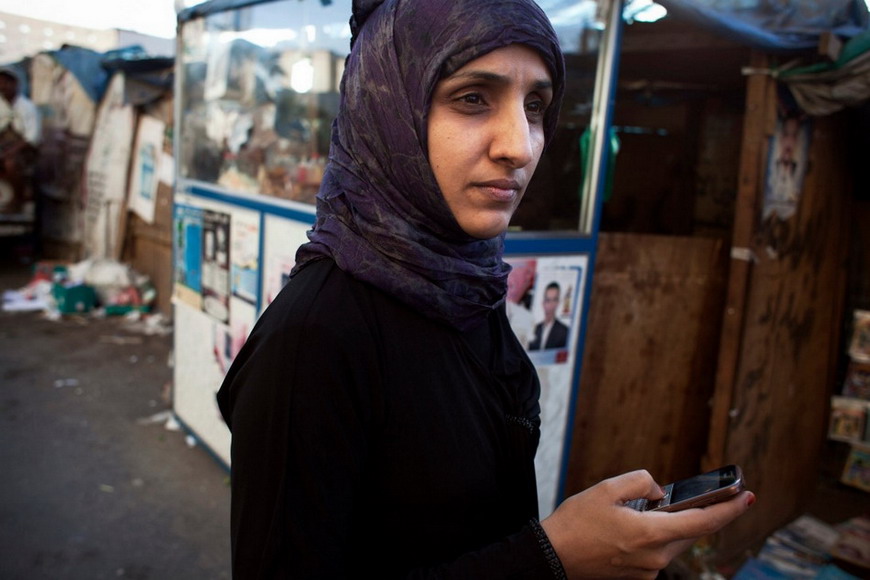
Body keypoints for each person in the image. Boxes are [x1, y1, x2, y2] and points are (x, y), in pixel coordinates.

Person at [216, 0, 755, 578]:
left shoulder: (462, 283)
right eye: (473, 98)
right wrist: (552, 557)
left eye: (536, 105)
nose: (519, 145)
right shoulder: (314, 341)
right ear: (386, 108)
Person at [0, 66, 40, 213]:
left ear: (15, 84)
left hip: (24, 150)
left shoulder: (27, 107)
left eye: (6, 83)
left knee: (11, 164)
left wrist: (9, 151)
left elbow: (32, 137)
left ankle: (17, 200)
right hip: (4, 146)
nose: (2, 86)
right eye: (0, 83)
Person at [529, 281, 570, 351]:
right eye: (548, 300)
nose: (551, 304)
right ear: (543, 303)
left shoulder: (564, 331)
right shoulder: (535, 330)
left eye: (554, 300)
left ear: (558, 302)